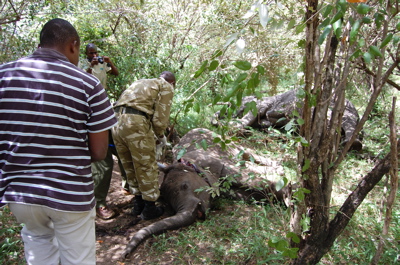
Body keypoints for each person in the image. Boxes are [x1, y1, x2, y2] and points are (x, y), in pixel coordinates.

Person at [0, 18, 117, 265]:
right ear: (73, 45)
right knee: (78, 259)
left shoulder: (3, 76)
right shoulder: (88, 84)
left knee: (39, 246)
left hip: (20, 194)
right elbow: (98, 152)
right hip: (70, 193)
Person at [111, 71, 176, 220]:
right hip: (135, 122)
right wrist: (160, 136)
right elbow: (160, 118)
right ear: (172, 83)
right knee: (146, 164)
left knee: (129, 164)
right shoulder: (166, 86)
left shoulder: (142, 81)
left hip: (116, 122)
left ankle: (138, 204)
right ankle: (149, 208)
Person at [81, 43, 124, 219]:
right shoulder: (81, 65)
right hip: (87, 111)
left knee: (117, 148)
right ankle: (98, 204)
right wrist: (90, 67)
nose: (94, 56)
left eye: (96, 53)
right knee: (101, 162)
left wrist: (109, 62)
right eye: (91, 54)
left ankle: (126, 187)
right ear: (85, 54)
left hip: (102, 108)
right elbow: (84, 81)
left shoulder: (101, 63)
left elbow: (115, 73)